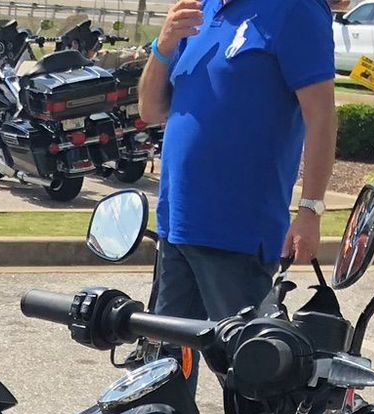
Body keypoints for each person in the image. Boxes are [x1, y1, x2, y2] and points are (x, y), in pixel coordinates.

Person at [137, 0, 337, 326]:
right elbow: (150, 109)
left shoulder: (295, 9)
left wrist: (310, 210)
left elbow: (322, 117)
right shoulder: (202, 9)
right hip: (177, 225)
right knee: (168, 353)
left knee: (245, 354)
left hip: (236, 234)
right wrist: (164, 44)